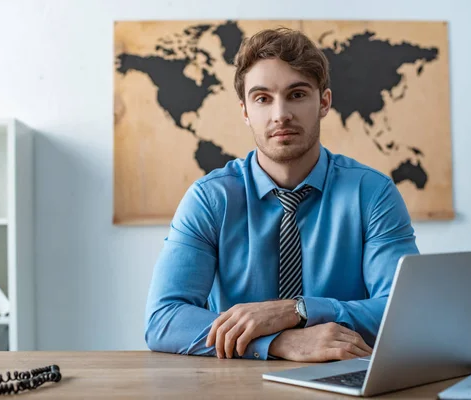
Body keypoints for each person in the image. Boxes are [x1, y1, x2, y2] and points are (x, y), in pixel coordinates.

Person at [144, 27, 419, 362]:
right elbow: (164, 319)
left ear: (324, 102)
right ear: (245, 111)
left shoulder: (373, 194)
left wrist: (298, 310)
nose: (280, 114)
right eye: (262, 98)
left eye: (297, 94)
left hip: (345, 378)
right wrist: (279, 342)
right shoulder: (210, 199)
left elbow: (403, 313)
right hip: (233, 386)